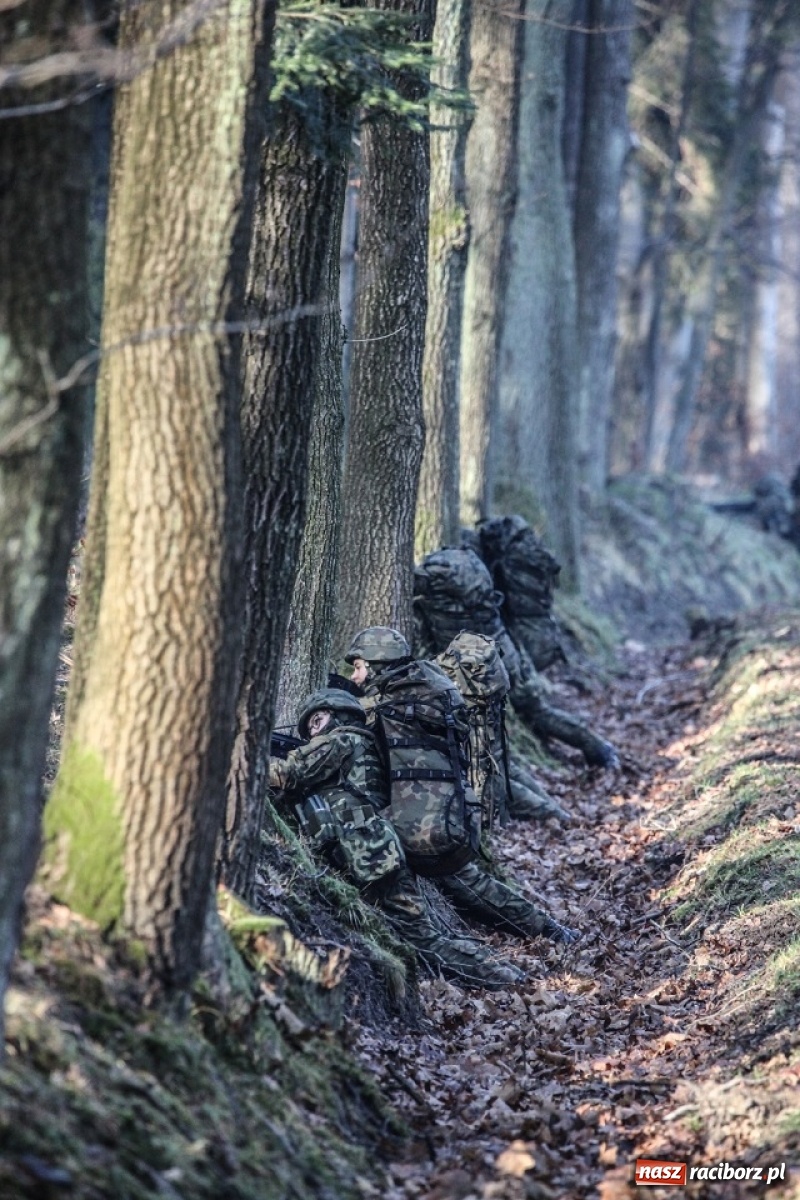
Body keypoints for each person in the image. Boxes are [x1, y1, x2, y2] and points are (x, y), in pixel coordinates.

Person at [268, 687, 525, 990]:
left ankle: (510, 980)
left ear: (337, 715)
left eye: (317, 720)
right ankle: (507, 973)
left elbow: (286, 773)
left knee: (425, 939)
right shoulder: (360, 745)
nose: (312, 731)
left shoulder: (340, 741)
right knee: (424, 934)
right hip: (372, 852)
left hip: (370, 855)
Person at [345, 628, 580, 946]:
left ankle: (550, 932)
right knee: (473, 882)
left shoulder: (394, 701)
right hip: (444, 809)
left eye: (358, 667)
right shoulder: (424, 683)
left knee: (471, 884)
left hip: (431, 823)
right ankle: (550, 930)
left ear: (377, 664)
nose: (354, 677)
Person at [413, 546, 620, 772]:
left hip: (492, 665)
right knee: (540, 710)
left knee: (536, 712)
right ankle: (595, 746)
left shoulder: (438, 578)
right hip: (509, 653)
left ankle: (598, 749)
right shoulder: (473, 568)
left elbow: (407, 584)